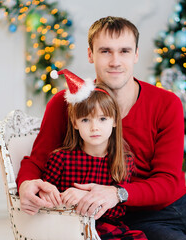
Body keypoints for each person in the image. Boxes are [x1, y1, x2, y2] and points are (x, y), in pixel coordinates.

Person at [17, 16, 186, 239]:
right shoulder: (67, 103)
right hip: (134, 218)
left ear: (136, 54)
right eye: (105, 51)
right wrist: (27, 184)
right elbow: (37, 160)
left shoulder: (166, 103)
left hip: (184, 203)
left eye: (124, 51)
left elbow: (169, 180)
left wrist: (117, 192)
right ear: (90, 55)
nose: (115, 61)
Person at [39, 70, 146, 239]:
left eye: (102, 119)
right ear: (75, 123)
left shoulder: (124, 160)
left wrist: (88, 197)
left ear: (114, 121)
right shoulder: (60, 159)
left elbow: (118, 209)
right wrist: (56, 196)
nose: (94, 127)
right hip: (70, 228)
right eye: (85, 120)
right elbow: (46, 201)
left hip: (109, 227)